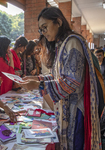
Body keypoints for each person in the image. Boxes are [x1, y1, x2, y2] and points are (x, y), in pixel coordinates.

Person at [20, 7, 104, 150]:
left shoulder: (72, 42)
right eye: (41, 30)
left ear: (58, 22)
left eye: (45, 27)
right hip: (67, 108)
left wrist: (38, 85)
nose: (43, 33)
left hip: (76, 111)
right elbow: (57, 76)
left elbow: (71, 82)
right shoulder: (61, 45)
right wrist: (36, 78)